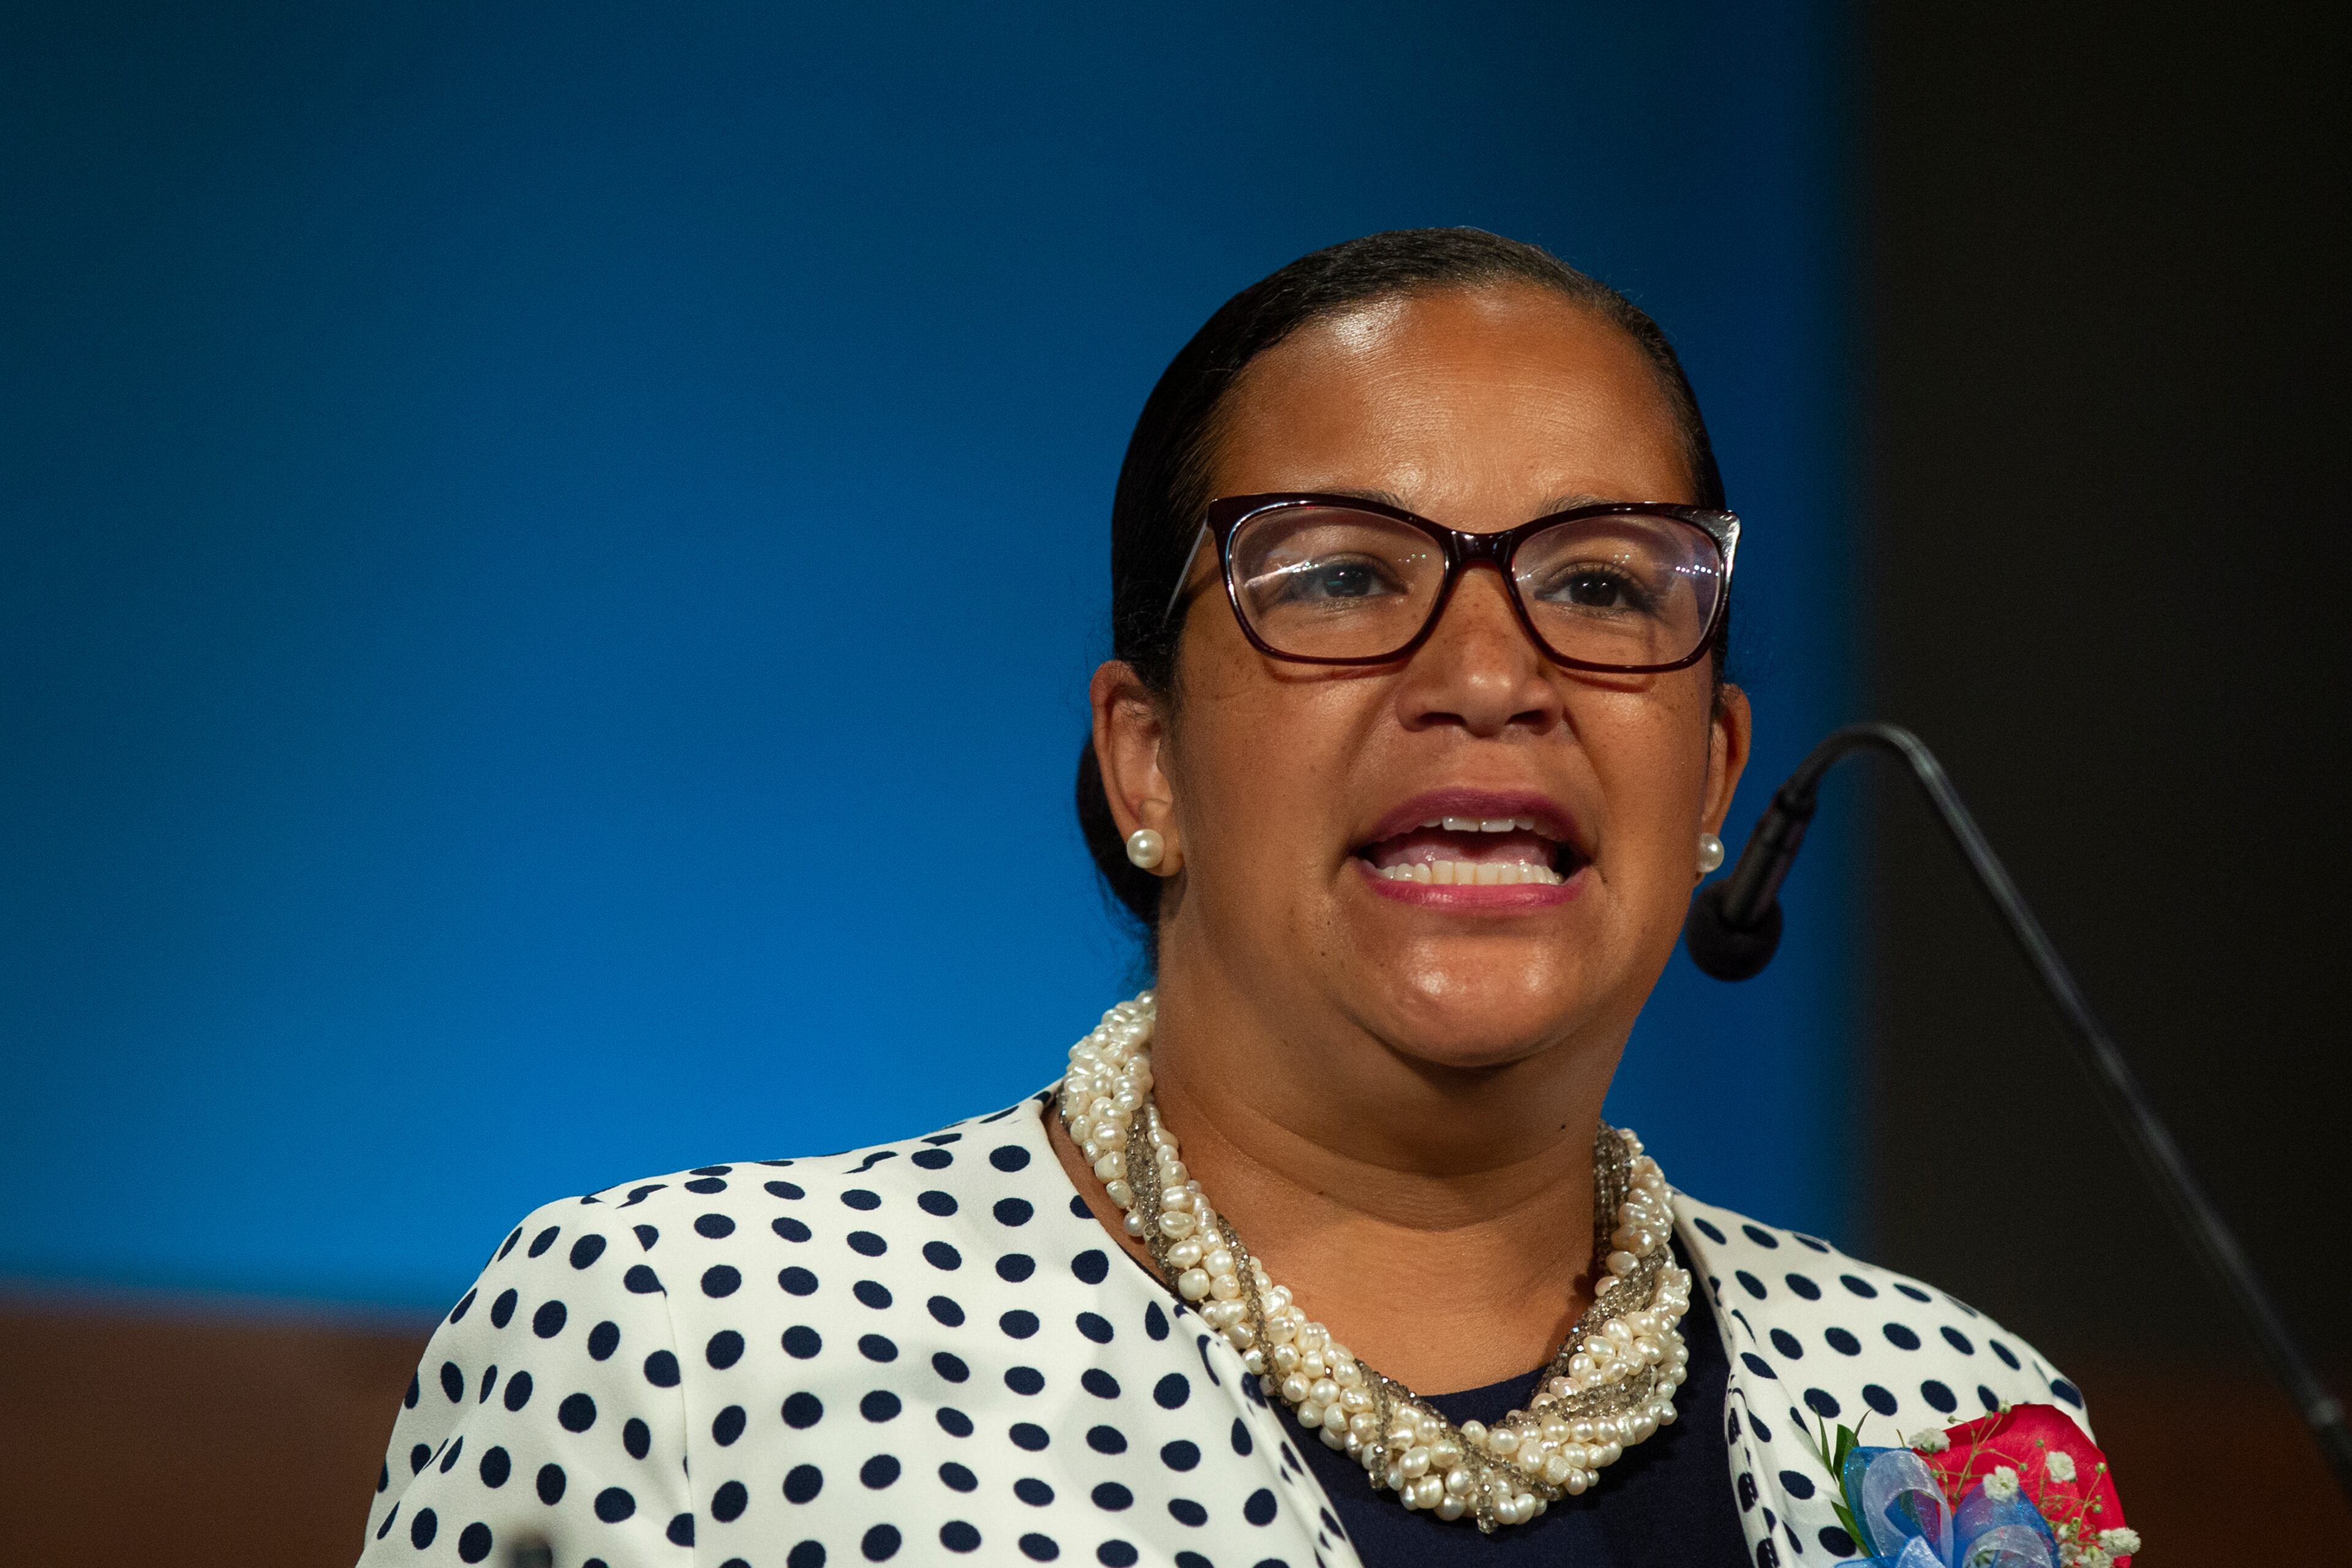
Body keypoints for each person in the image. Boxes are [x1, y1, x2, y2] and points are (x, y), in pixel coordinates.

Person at [358, 230, 2092, 1567]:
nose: (1489, 675)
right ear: (1148, 768)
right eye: (1340, 575)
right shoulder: (680, 1350)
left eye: (1601, 583)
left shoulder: (1942, 1413)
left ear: (1713, 777)